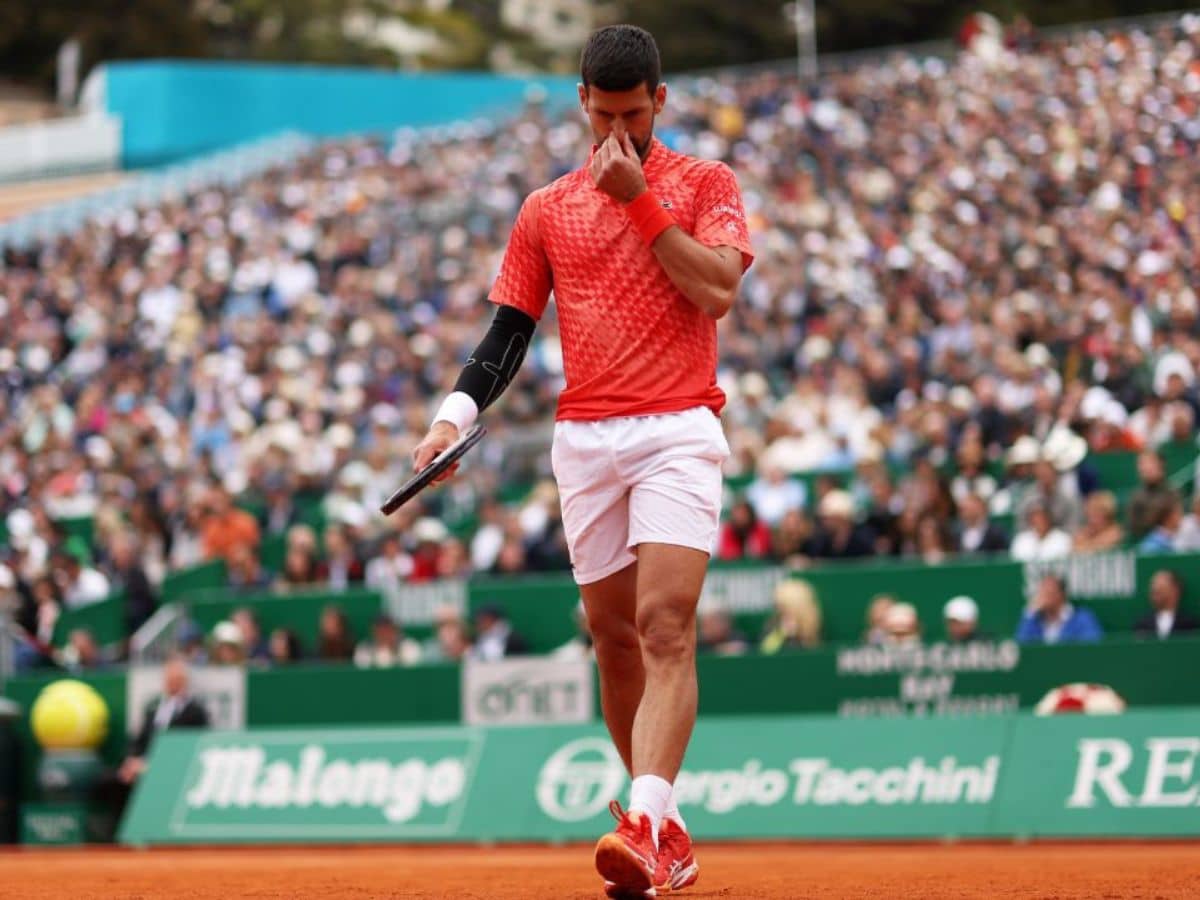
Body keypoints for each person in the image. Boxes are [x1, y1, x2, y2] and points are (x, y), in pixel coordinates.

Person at [410, 24, 752, 897]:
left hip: (677, 424)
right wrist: (451, 419)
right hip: (585, 439)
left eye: (633, 117)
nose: (617, 136)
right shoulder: (545, 208)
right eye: (604, 117)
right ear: (582, 104)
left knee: (667, 624)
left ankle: (643, 820)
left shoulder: (704, 182)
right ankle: (662, 828)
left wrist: (642, 198)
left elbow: (716, 288)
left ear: (659, 103)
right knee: (613, 640)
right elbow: (509, 329)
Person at [1015, 574, 1103, 645]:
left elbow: (1092, 646)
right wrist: (1030, 613)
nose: (1044, 597)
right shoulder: (1033, 620)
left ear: (1061, 594)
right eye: (1042, 592)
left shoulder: (1083, 618)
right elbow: (1022, 645)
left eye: (1049, 592)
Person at [759, 579, 821, 653]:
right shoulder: (774, 623)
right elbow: (764, 650)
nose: (779, 609)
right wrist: (782, 633)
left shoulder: (810, 622)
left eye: (783, 606)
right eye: (778, 606)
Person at [1134, 571, 1199, 640]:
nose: (1154, 592)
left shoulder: (1190, 624)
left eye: (1160, 589)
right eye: (1154, 590)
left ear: (1175, 590)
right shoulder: (1142, 625)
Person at [353, 614, 422, 667]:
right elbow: (363, 668)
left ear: (395, 629)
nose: (383, 633)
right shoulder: (364, 648)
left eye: (387, 628)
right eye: (379, 629)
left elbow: (412, 665)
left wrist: (394, 649)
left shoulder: (409, 645)